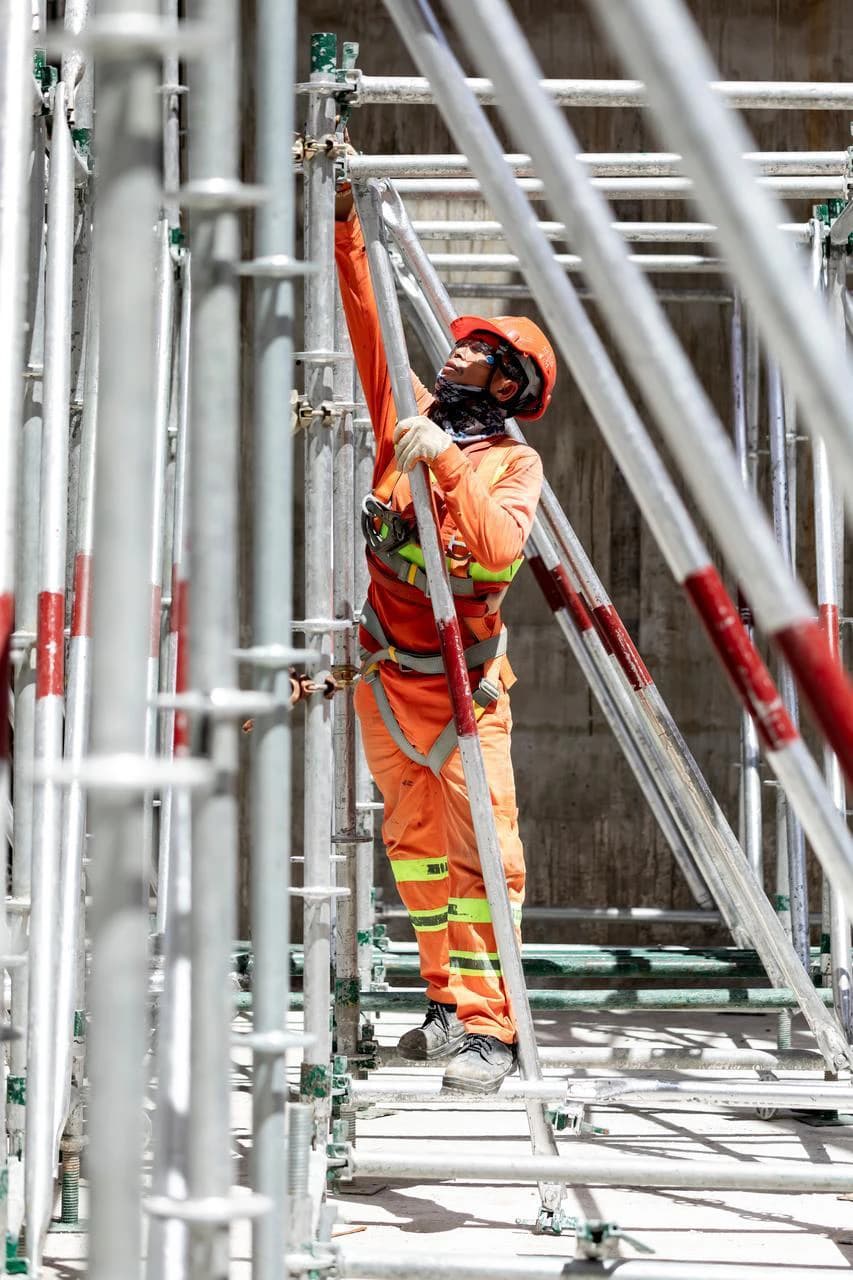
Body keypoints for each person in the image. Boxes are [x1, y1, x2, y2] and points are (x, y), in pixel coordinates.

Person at [335, 184, 557, 1094]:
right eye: (462, 340)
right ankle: (440, 1002)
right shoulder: (406, 419)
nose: (456, 348)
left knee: (485, 860)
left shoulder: (509, 461)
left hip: (467, 687)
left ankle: (490, 1030)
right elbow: (365, 325)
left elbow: (500, 552)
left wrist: (444, 466)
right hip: (390, 679)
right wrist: (348, 228)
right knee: (418, 857)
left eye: (480, 348)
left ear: (506, 383)